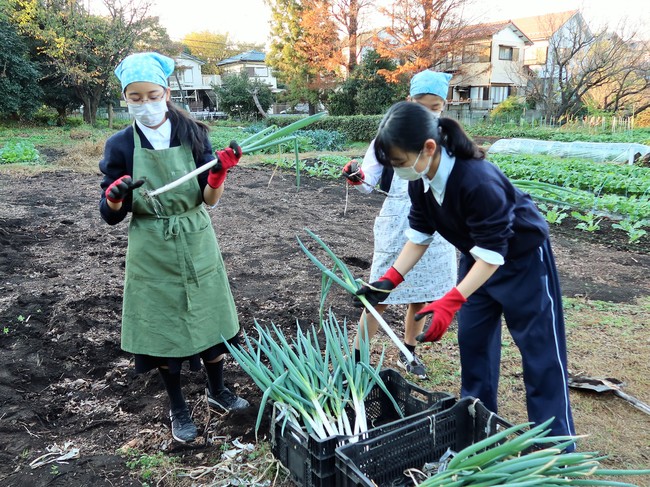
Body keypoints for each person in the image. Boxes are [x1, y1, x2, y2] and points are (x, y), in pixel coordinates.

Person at [356, 101, 575, 443]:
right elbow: (419, 236)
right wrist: (387, 283)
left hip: (521, 263)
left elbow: (494, 254)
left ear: (428, 148)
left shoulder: (477, 181)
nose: (398, 171)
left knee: (540, 353)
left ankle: (556, 447)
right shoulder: (421, 180)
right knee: (473, 344)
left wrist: (452, 299)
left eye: (399, 162)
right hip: (476, 260)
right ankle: (478, 429)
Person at [99, 52, 248, 444]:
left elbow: (209, 199)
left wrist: (217, 174)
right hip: (152, 244)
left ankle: (218, 391)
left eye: (152, 95)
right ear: (125, 98)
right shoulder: (119, 145)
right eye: (135, 97)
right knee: (165, 328)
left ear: (166, 92)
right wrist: (115, 197)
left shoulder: (193, 134)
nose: (145, 104)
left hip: (196, 236)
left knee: (208, 317)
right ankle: (177, 405)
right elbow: (111, 215)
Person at [341, 71, 457, 379]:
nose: (429, 111)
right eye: (422, 104)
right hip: (397, 224)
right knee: (379, 295)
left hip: (435, 224)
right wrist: (357, 176)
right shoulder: (387, 136)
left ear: (443, 106)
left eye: (435, 106)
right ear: (409, 101)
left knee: (420, 295)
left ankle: (408, 352)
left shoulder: (446, 139)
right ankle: (356, 357)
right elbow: (368, 181)